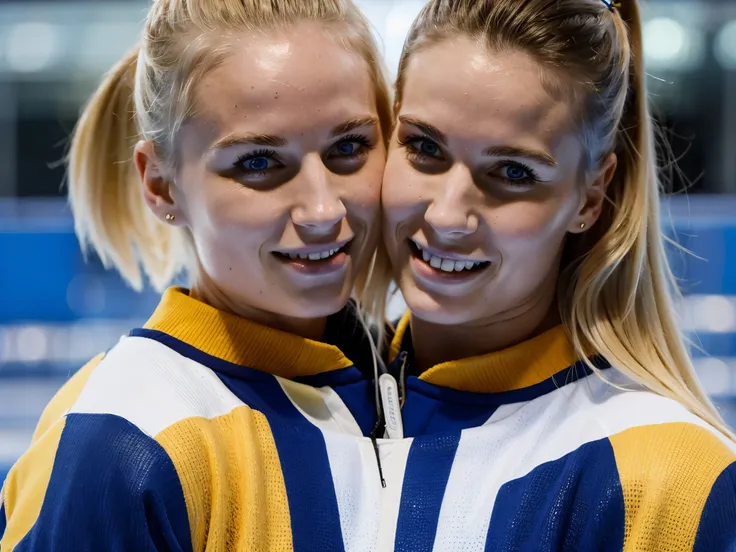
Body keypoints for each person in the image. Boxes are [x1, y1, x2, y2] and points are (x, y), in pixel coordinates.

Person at [0, 0, 392, 549]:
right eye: (258, 162)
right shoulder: (123, 432)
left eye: (349, 147)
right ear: (160, 184)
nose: (322, 210)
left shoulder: (408, 383)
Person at [377, 0, 736, 550]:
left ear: (590, 195)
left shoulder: (670, 479)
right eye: (424, 147)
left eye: (513, 172)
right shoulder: (317, 411)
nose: (447, 216)